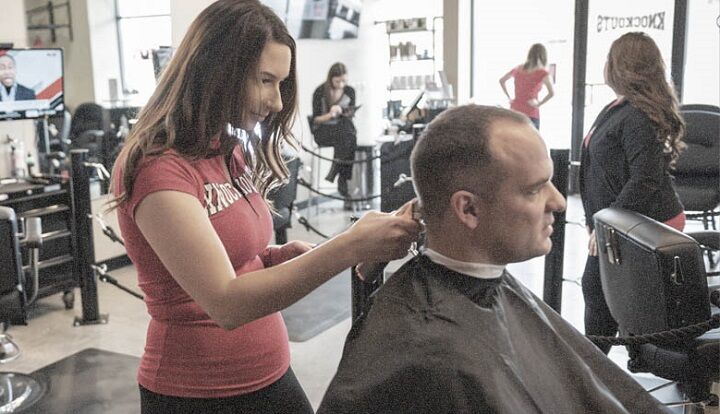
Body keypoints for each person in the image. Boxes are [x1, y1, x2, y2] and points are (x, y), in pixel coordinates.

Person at [108, 1, 421, 412]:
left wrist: (272, 258)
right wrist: (349, 246)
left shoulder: (223, 150)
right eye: (265, 80)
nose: (276, 101)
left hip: (270, 373)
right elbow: (226, 301)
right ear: (216, 72)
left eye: (281, 83)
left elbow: (231, 255)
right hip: (199, 394)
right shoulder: (158, 170)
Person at [317, 105, 670, 414]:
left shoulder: (480, 297)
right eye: (534, 188)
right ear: (468, 208)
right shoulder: (424, 351)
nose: (559, 202)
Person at [579, 32, 686, 354]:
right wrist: (595, 220)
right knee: (602, 295)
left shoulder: (636, 115)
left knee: (598, 293)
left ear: (620, 66)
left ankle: (590, 375)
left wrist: (607, 223)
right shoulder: (618, 108)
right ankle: (597, 373)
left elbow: (645, 179)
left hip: (645, 220)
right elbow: (596, 171)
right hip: (622, 219)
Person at [312, 62, 358, 203]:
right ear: (331, 78)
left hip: (342, 132)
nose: (341, 85)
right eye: (338, 81)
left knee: (347, 130)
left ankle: (336, 172)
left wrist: (343, 112)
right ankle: (342, 179)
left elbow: (351, 114)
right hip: (323, 132)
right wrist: (331, 114)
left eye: (344, 81)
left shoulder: (350, 91)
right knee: (350, 135)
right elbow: (316, 119)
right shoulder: (320, 91)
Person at [499, 43, 554, 129]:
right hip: (530, 112)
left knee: (514, 140)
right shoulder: (543, 73)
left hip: (515, 111)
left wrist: (509, 98)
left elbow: (502, 81)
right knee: (531, 141)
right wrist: (539, 104)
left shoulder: (518, 69)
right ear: (543, 56)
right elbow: (551, 93)